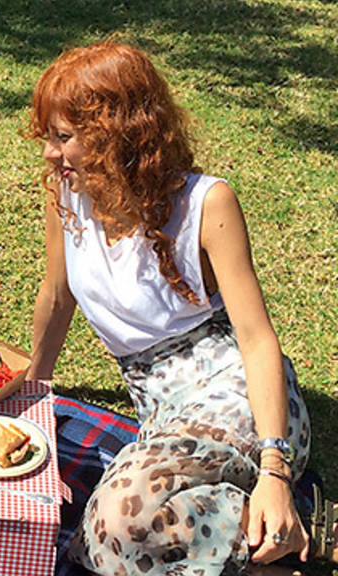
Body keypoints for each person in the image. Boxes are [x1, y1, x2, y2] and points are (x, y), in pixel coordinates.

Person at [24, 42, 334, 575]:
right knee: (123, 529)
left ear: (112, 134)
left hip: (236, 394)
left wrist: (274, 469)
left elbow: (257, 339)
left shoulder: (206, 204)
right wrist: (31, 392)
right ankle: (275, 538)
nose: (50, 153)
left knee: (112, 527)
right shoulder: (68, 193)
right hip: (161, 406)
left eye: (63, 137)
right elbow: (57, 295)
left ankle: (293, 516)